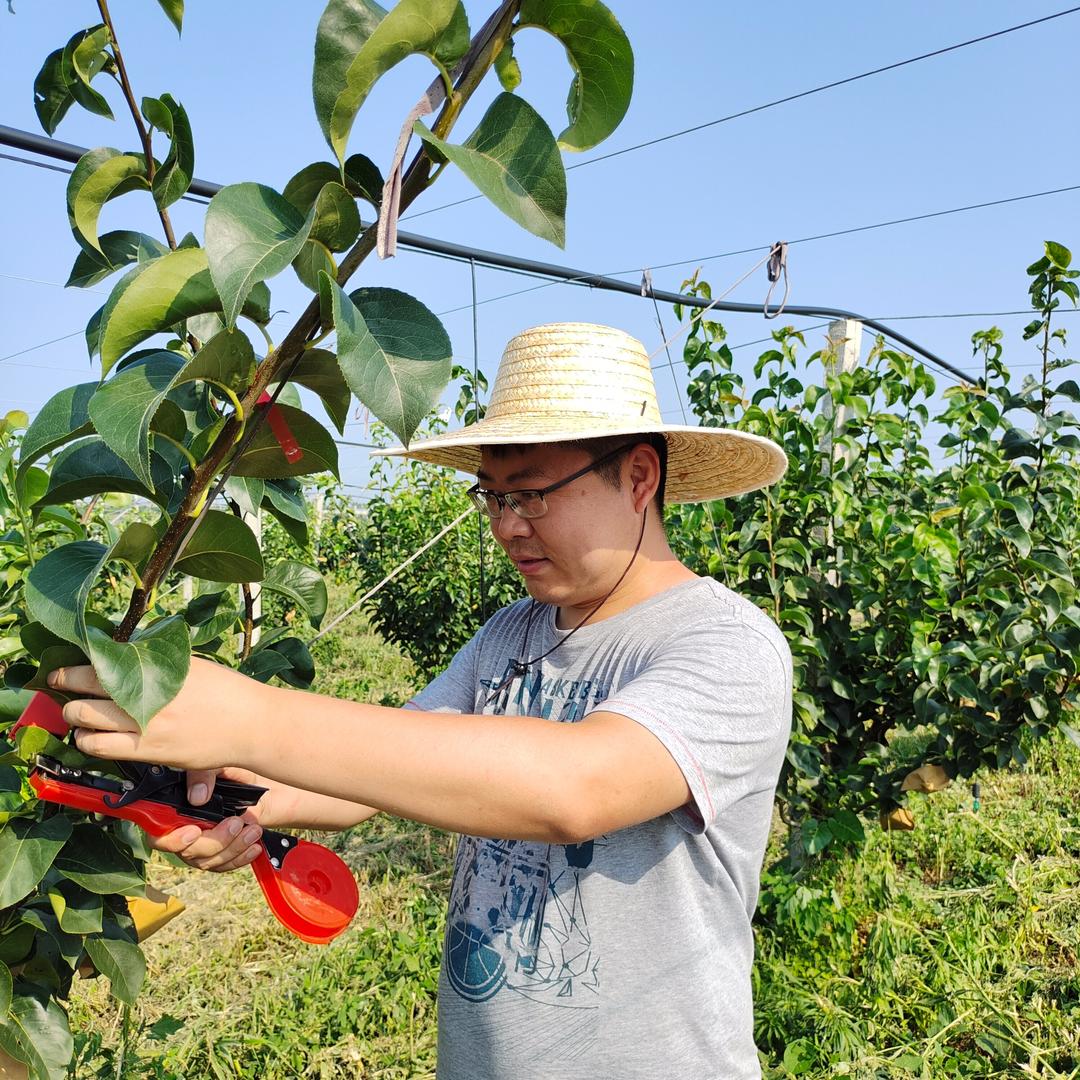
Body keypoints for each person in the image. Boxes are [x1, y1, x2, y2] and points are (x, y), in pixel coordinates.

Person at [53, 322, 793, 1080]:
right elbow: (383, 767)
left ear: (638, 478)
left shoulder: (726, 644)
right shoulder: (513, 632)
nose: (507, 526)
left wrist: (251, 716)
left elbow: (577, 789)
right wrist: (227, 794)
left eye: (532, 494)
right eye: (494, 496)